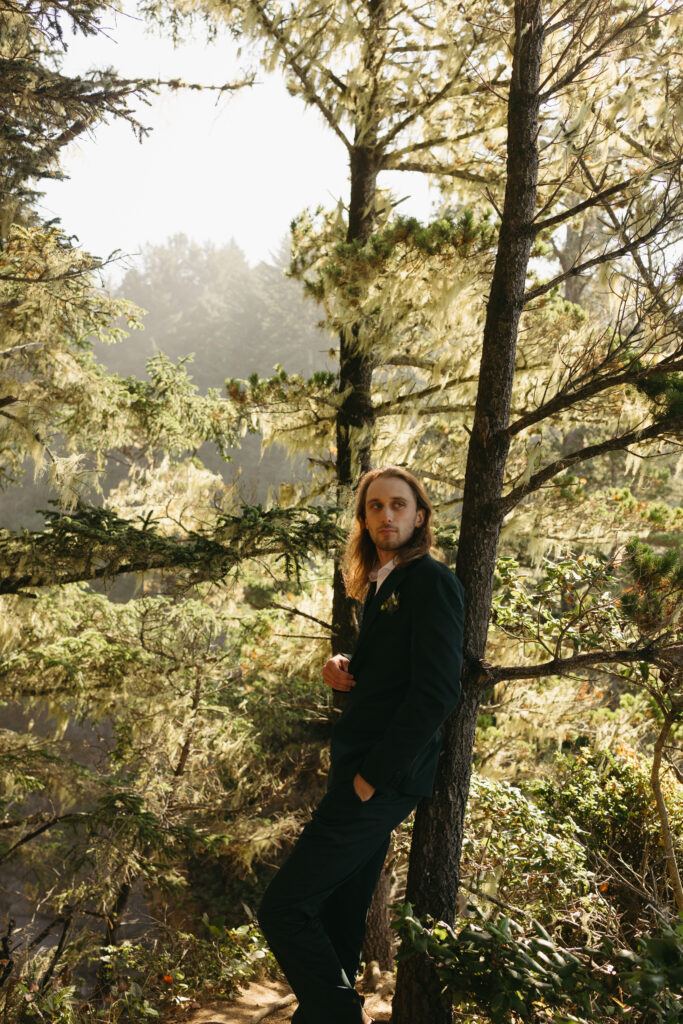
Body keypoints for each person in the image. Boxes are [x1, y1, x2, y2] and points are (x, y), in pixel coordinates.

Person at [257, 466, 465, 1024]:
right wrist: (346, 664)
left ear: (419, 515)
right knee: (341, 916)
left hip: (380, 779)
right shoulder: (385, 583)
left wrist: (374, 776)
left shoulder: (430, 580)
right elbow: (397, 669)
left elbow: (438, 690)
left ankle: (337, 1013)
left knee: (282, 909)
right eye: (374, 506)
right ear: (363, 517)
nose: (386, 516)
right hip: (362, 772)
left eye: (398, 505)